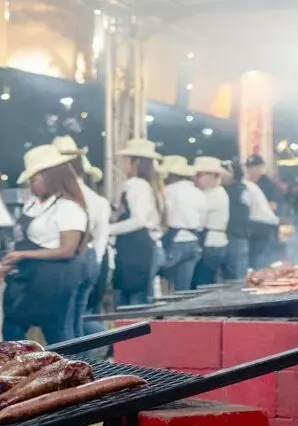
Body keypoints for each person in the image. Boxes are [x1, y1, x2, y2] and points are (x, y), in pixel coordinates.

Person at [0, 144, 87, 344]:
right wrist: (9, 264)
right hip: (28, 277)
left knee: (58, 333)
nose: (31, 185)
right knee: (12, 327)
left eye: (34, 179)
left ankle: (71, 372)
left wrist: (25, 255)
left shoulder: (68, 207)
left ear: (50, 176)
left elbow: (67, 250)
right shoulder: (34, 204)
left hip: (55, 278)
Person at [53, 136, 109, 338]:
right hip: (91, 258)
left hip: (72, 261)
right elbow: (101, 241)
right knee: (77, 322)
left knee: (65, 326)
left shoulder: (65, 199)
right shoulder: (97, 199)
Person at [111, 139, 163, 305]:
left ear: (136, 162)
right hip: (140, 246)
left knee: (133, 301)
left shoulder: (137, 185)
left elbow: (138, 220)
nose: (123, 165)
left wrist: (108, 229)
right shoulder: (149, 185)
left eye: (126, 160)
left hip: (135, 247)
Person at [158, 155, 204, 291]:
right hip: (193, 242)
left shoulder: (167, 192)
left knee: (163, 285)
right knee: (183, 289)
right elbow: (202, 221)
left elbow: (162, 218)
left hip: (174, 243)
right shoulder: (198, 193)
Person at [192, 156, 231, 287]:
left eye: (199, 175)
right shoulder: (216, 192)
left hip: (211, 244)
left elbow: (199, 221)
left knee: (203, 283)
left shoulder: (214, 194)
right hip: (217, 243)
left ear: (213, 176)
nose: (196, 179)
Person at [244, 154, 284, 268]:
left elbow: (274, 206)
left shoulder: (269, 185)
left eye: (255, 166)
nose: (252, 169)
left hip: (266, 228)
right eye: (249, 166)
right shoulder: (247, 185)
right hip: (252, 229)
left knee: (263, 262)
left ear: (262, 167)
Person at [221, 159, 251, 280]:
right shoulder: (243, 189)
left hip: (235, 235)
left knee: (236, 277)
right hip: (240, 235)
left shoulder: (233, 190)